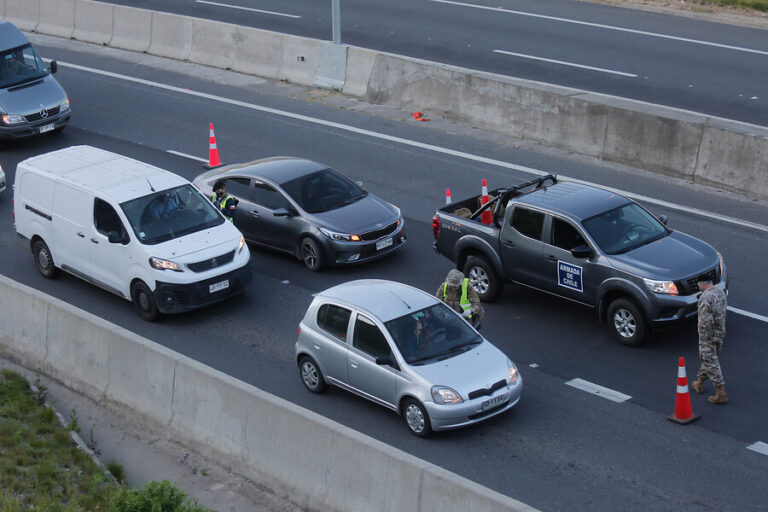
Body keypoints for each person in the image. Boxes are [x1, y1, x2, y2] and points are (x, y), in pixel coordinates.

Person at [691, 279, 728, 404]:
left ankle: (720, 392)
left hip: (709, 336)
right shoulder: (720, 292)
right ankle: (699, 382)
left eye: (699, 284)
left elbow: (706, 321)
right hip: (720, 332)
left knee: (710, 361)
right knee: (708, 359)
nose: (699, 287)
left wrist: (705, 338)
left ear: (703, 284)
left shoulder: (706, 297)